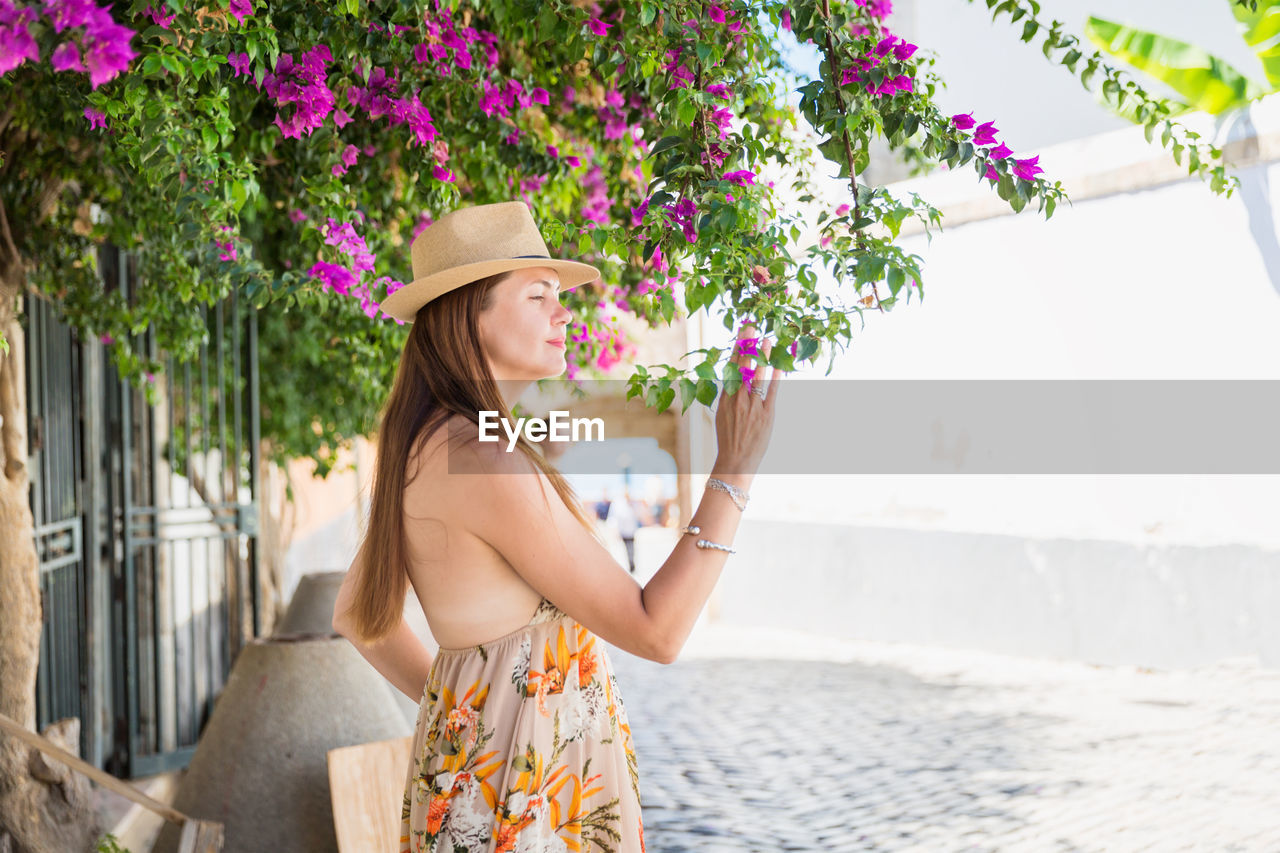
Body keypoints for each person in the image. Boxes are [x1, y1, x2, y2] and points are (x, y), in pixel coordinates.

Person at [329, 200, 783, 853]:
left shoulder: (429, 443)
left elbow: (353, 612)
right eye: (538, 294)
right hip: (521, 809)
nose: (563, 311)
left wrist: (463, 707)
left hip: (478, 791)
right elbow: (657, 629)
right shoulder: (485, 461)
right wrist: (735, 469)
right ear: (469, 316)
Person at [606, 487, 641, 574]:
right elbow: (614, 518)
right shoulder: (618, 504)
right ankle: (627, 567)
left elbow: (637, 515)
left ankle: (632, 566)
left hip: (631, 531)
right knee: (624, 549)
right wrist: (615, 531)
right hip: (623, 531)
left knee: (631, 549)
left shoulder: (632, 504)